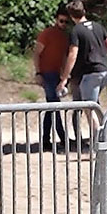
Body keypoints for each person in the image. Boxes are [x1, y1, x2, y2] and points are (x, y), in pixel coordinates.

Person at [59, 0, 107, 141]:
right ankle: (106, 135)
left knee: (89, 109)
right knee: (94, 104)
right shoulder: (98, 26)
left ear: (71, 16)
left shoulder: (76, 31)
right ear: (84, 11)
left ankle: (100, 141)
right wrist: (101, 55)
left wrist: (64, 79)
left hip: (91, 73)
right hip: (105, 70)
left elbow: (73, 54)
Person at [32, 8, 70, 149]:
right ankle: (62, 137)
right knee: (54, 105)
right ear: (56, 20)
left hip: (56, 74)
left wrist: (65, 75)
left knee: (51, 107)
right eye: (61, 21)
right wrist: (38, 73)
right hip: (47, 74)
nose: (63, 24)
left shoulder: (65, 36)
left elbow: (65, 57)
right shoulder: (46, 34)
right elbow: (36, 53)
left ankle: (46, 140)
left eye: (66, 22)